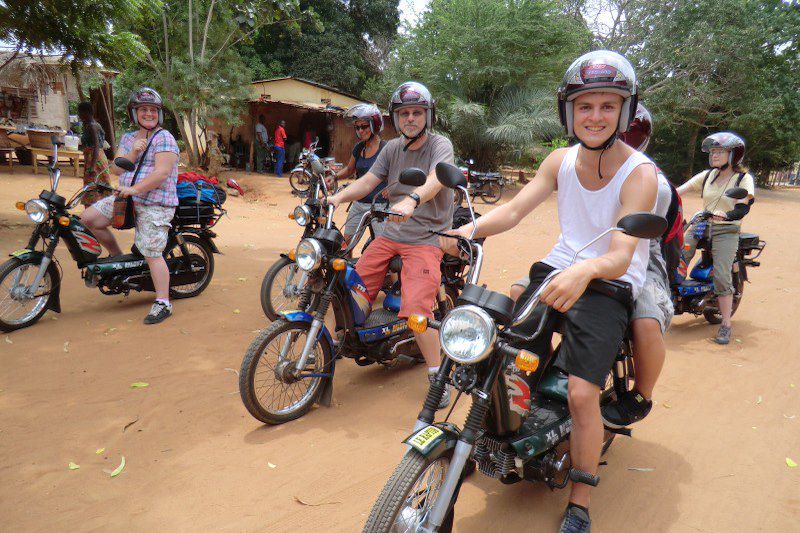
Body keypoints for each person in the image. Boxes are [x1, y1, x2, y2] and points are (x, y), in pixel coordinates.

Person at [445, 51, 657, 532]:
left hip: (609, 283)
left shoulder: (639, 173)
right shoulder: (559, 161)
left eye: (608, 106)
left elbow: (622, 254)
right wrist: (468, 231)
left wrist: (586, 272)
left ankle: (580, 501)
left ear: (624, 112)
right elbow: (515, 212)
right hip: (557, 269)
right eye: (586, 106)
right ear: (569, 112)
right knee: (499, 360)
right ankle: (489, 439)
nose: (596, 116)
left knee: (583, 394)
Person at [510, 104, 675, 429]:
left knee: (645, 320)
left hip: (640, 256)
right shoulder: (573, 162)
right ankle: (532, 370)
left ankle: (641, 395)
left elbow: (626, 247)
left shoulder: (652, 180)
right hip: (585, 254)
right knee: (519, 290)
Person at [326, 81, 455, 409]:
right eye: (404, 114)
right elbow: (369, 181)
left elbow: (436, 179)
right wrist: (339, 196)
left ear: (428, 115)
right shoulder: (393, 148)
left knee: (416, 311)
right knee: (348, 287)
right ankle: (338, 343)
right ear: (395, 119)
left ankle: (437, 375)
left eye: (416, 113)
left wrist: (412, 199)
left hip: (426, 237)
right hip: (391, 234)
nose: (410, 119)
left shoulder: (440, 145)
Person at [81, 87, 180, 325]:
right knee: (88, 218)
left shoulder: (164, 138)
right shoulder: (128, 138)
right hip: (127, 199)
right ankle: (117, 256)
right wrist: (134, 152)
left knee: (151, 253)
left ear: (159, 114)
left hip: (155, 202)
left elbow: (162, 172)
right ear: (134, 113)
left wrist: (135, 189)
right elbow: (115, 169)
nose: (148, 114)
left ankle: (163, 302)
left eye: (153, 110)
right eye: (143, 109)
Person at [676, 132, 755, 344]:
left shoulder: (742, 179)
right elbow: (679, 191)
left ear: (733, 154)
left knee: (721, 274)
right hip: (702, 224)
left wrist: (726, 215)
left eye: (719, 151)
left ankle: (726, 325)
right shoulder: (707, 175)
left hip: (726, 228)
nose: (714, 155)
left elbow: (743, 208)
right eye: (712, 152)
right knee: (676, 253)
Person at [334, 103, 388, 244]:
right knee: (346, 243)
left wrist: (392, 188)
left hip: (380, 206)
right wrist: (333, 177)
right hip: (359, 203)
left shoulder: (386, 149)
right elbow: (350, 169)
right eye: (357, 127)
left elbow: (397, 174)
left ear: (374, 126)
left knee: (382, 247)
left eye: (364, 126)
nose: (360, 131)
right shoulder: (359, 148)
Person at [77, 101, 112, 207]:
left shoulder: (93, 126)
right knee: (95, 184)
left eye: (80, 113)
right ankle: (96, 208)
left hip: (95, 159)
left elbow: (96, 146)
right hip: (93, 158)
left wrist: (92, 166)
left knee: (94, 184)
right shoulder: (91, 125)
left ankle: (97, 209)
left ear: (87, 112)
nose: (79, 115)